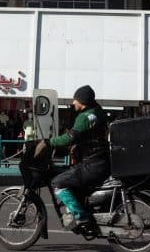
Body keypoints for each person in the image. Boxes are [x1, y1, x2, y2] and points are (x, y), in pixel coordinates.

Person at [35, 85, 109, 233]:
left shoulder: (85, 117)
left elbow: (70, 138)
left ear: (83, 101)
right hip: (100, 161)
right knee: (71, 178)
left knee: (58, 183)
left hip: (92, 164)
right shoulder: (97, 111)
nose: (73, 102)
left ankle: (81, 217)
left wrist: (47, 142)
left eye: (76, 100)